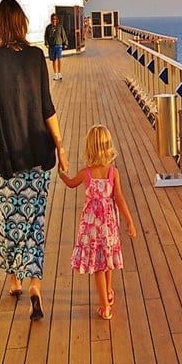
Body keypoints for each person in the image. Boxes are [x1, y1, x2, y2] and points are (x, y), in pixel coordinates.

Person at [0, 0, 68, 321]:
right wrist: (60, 147)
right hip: (38, 152)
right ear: (22, 23)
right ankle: (35, 286)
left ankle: (13, 280)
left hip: (5, 155)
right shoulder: (35, 57)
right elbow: (47, 108)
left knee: (5, 220)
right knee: (33, 221)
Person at [58, 124, 137, 320]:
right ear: (108, 146)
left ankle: (105, 307)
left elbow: (70, 184)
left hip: (92, 228)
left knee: (98, 267)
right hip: (109, 226)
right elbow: (119, 198)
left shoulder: (87, 173)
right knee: (107, 262)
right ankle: (108, 293)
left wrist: (61, 172)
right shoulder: (113, 173)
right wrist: (130, 221)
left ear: (89, 148)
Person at [44, 13, 68, 80]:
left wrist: (65, 43)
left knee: (59, 59)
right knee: (54, 60)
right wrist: (46, 43)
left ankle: (59, 73)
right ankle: (55, 74)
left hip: (58, 45)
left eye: (55, 19)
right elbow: (46, 36)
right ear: (51, 20)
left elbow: (63, 35)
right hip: (52, 46)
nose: (54, 20)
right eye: (53, 19)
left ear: (57, 19)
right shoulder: (48, 27)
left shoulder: (60, 27)